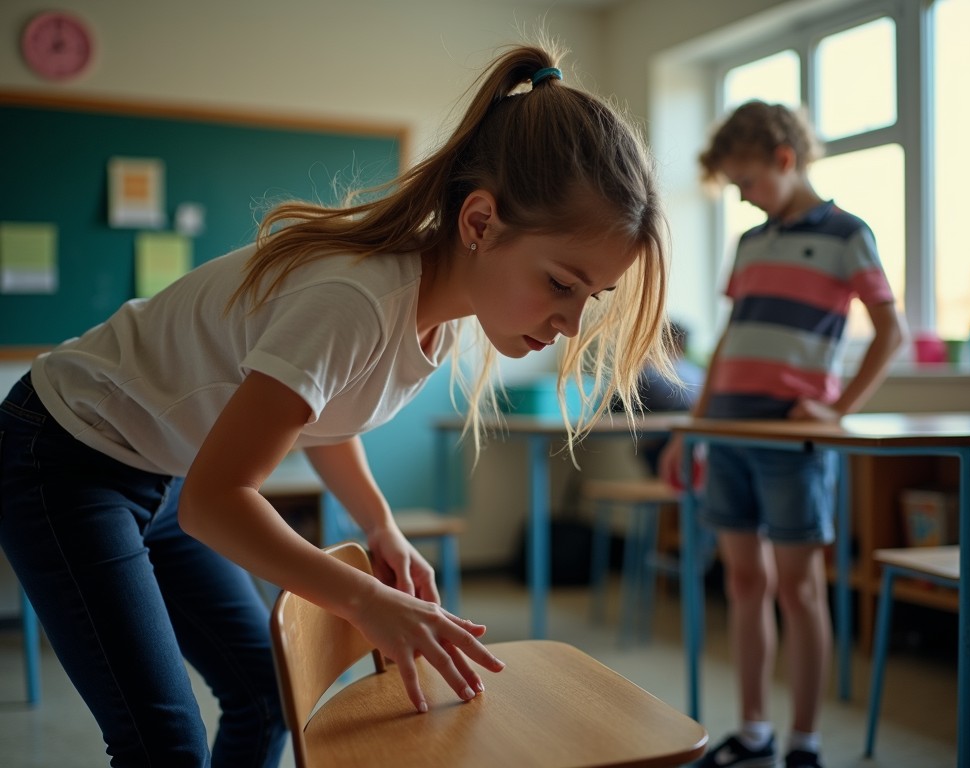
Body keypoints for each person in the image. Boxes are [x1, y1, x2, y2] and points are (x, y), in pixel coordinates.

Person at [0, 41, 675, 767]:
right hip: (64, 454)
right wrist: (363, 599)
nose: (572, 323)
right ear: (479, 225)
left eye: (591, 296)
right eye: (562, 283)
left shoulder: (438, 321)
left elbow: (320, 419)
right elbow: (217, 503)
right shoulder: (355, 299)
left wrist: (380, 527)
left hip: (161, 468)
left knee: (262, 696)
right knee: (163, 741)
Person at [658, 100, 906, 768]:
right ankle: (756, 733)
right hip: (728, 431)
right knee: (743, 584)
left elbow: (891, 332)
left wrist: (838, 409)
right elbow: (733, 338)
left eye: (747, 184)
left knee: (799, 589)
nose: (742, 198)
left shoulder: (849, 234)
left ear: (785, 160)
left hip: (791, 439)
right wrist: (691, 429)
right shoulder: (750, 242)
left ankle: (804, 742)